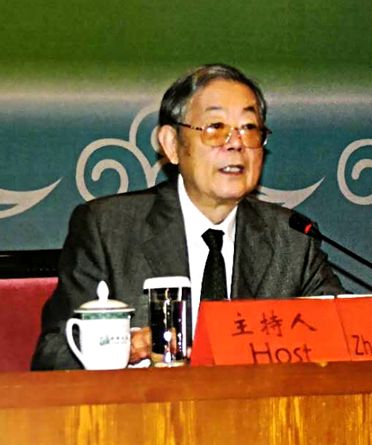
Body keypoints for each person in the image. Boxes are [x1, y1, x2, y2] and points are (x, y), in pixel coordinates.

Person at [31, 64, 344, 370]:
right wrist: (121, 351)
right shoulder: (109, 228)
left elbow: (345, 342)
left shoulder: (292, 239)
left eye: (249, 128)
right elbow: (54, 354)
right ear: (172, 145)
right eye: (215, 127)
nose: (236, 143)